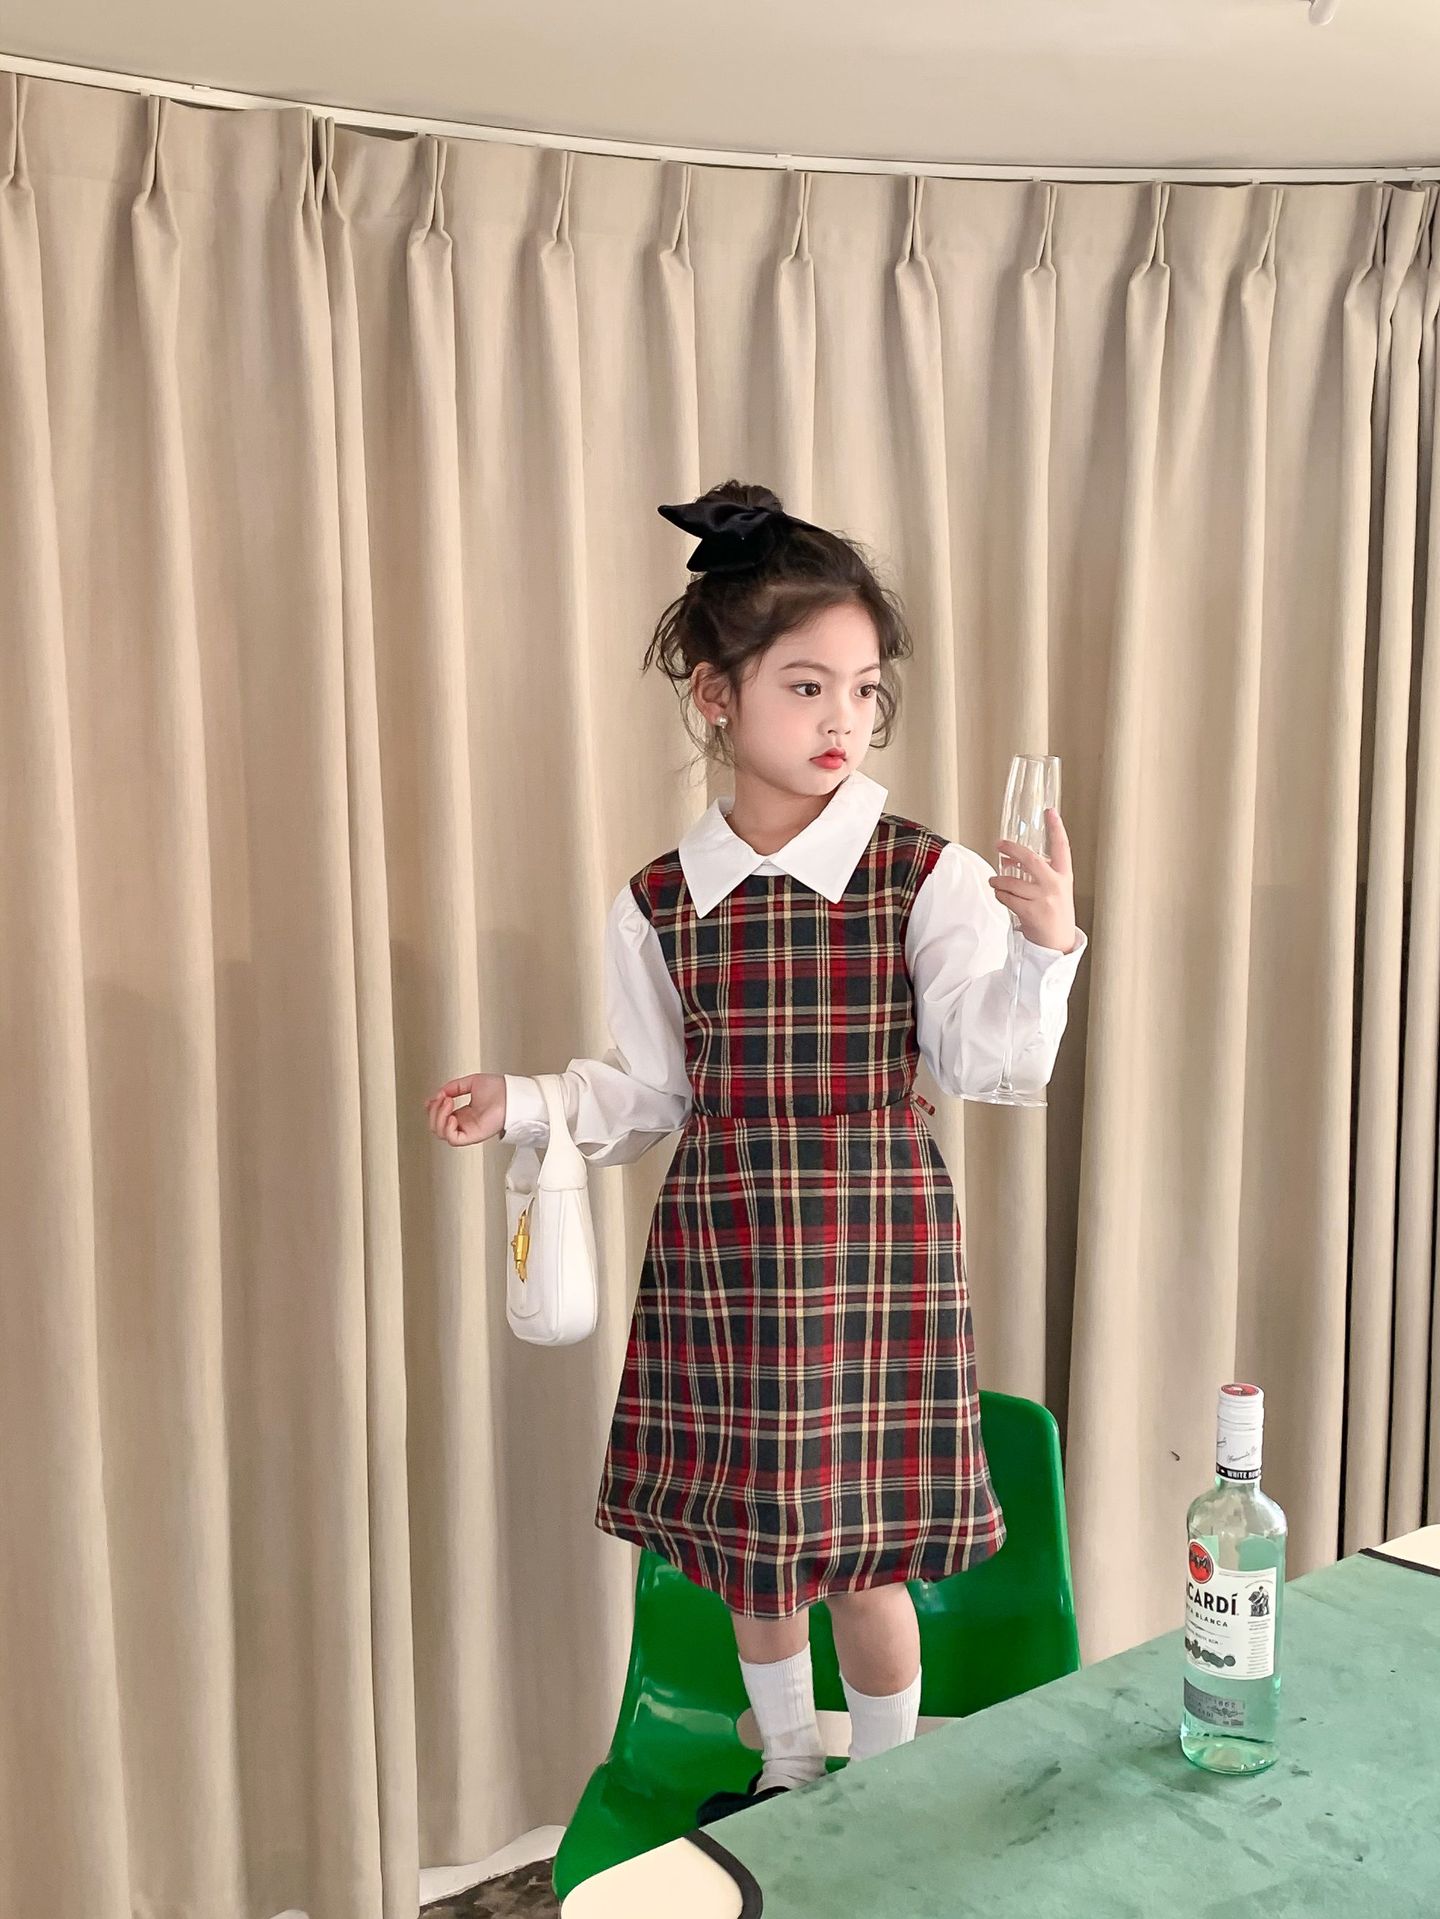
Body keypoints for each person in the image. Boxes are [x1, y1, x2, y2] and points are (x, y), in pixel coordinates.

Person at [425, 481, 1087, 1825]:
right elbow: (654, 1092)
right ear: (715, 695)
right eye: (807, 686)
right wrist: (529, 1101)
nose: (844, 718)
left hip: (875, 1254)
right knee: (750, 1550)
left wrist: (1046, 945)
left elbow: (988, 1065)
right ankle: (787, 1769)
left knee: (866, 1557)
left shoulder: (925, 874)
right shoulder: (658, 901)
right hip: (726, 1256)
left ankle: (883, 1789)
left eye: (864, 690)